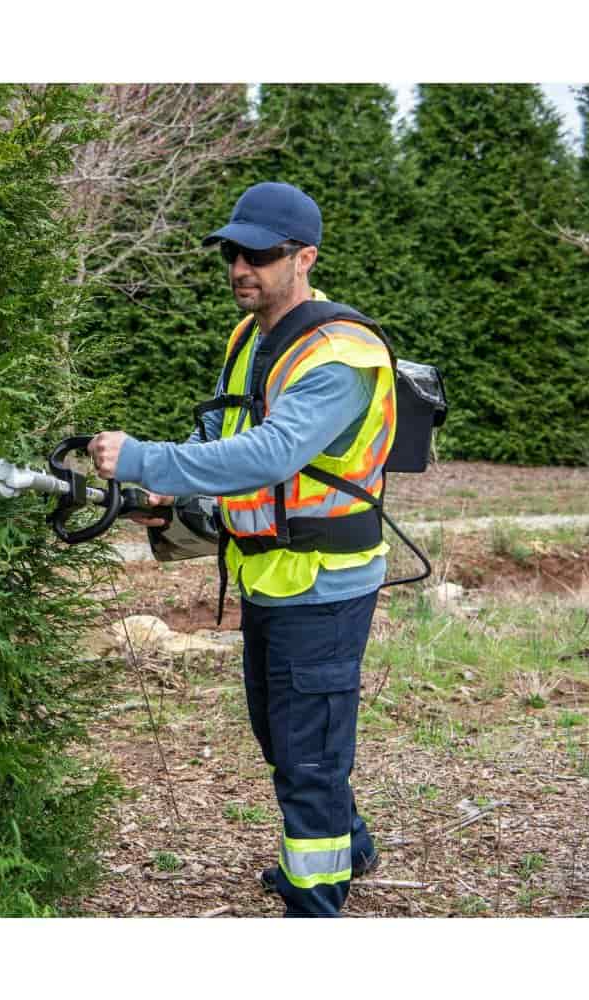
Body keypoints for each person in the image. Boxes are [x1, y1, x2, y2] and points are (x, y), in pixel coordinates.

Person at [87, 181, 394, 918]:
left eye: (259, 253)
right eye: (232, 251)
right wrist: (171, 495)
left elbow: (270, 454)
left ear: (305, 257)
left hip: (325, 582)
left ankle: (315, 899)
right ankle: (347, 842)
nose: (240, 266)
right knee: (283, 733)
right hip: (268, 573)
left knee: (307, 752)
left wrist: (145, 463)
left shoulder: (343, 357)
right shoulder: (252, 336)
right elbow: (224, 435)